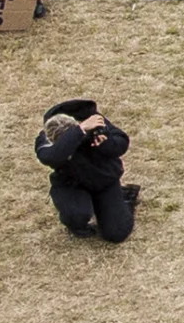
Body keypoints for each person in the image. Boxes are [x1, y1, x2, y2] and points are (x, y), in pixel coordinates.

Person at [36, 98, 133, 243]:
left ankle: (121, 198)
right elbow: (52, 156)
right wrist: (79, 131)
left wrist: (105, 142)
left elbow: (121, 144)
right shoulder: (47, 136)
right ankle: (78, 224)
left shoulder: (96, 122)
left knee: (117, 233)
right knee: (76, 215)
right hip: (71, 184)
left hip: (103, 180)